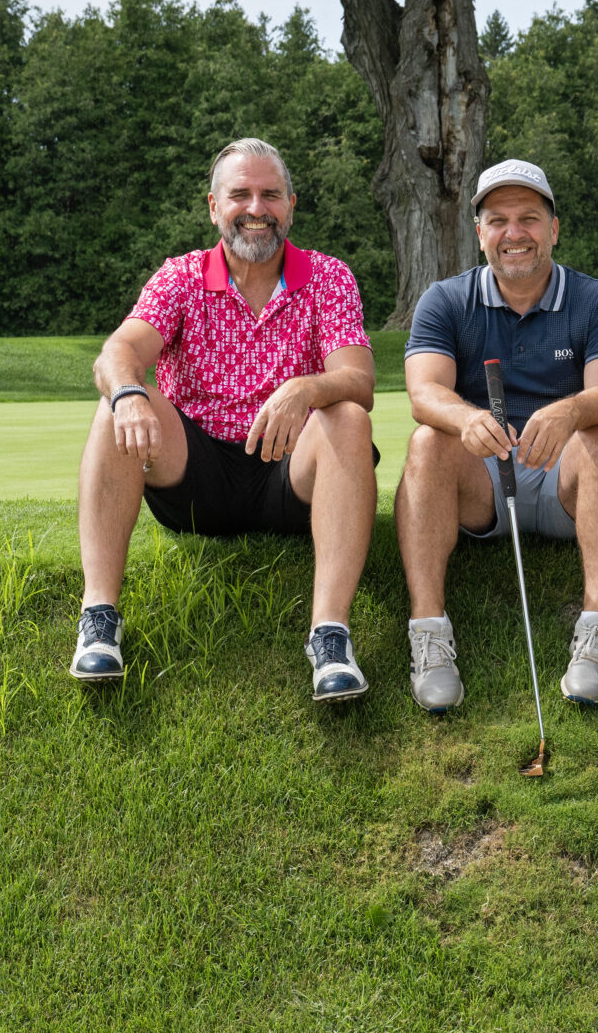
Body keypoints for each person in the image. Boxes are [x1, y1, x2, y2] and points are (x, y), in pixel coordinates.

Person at [71, 137, 379, 701]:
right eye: (240, 195)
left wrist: (306, 387)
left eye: (271, 195)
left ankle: (330, 636)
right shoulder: (181, 276)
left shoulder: (328, 276)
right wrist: (129, 394)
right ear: (215, 207)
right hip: (196, 478)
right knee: (118, 400)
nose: (256, 208)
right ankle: (99, 619)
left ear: (291, 205)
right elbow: (117, 352)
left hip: (289, 473)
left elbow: (359, 380)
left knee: (349, 418)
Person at [395, 159, 598, 711]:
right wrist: (466, 418)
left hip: (565, 479)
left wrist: (569, 411)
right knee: (428, 441)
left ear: (553, 229)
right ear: (479, 232)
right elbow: (424, 393)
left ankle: (596, 633)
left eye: (529, 218)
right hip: (482, 480)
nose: (514, 233)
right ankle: (429, 634)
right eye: (498, 220)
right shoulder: (444, 299)